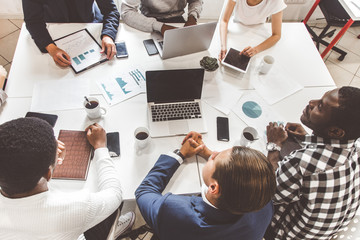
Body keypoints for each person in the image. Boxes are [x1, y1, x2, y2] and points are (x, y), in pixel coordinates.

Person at [0, 119, 134, 240]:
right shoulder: (75, 207)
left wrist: (47, 161)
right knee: (109, 212)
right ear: (48, 174)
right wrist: (100, 147)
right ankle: (111, 230)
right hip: (73, 228)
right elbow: (114, 194)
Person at [135, 131, 276, 240]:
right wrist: (205, 153)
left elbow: (144, 191)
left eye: (215, 159)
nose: (213, 154)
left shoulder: (174, 210)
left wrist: (180, 153)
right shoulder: (264, 204)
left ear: (214, 188)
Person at [264, 87, 360, 239]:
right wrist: (310, 137)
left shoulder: (304, 163)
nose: (311, 103)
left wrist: (274, 145)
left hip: (281, 233)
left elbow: (265, 192)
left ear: (335, 132)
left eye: (320, 107)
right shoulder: (355, 147)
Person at [22, 0, 120, 67]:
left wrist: (108, 35)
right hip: (55, 28)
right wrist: (51, 48)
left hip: (89, 24)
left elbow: (111, 10)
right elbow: (33, 21)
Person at [219, 0, 286, 60]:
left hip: (258, 30)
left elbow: (277, 35)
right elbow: (224, 21)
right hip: (237, 26)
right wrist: (223, 47)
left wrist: (256, 50)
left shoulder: (276, 2)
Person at [121, 0, 202, 35]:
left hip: (178, 20)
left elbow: (195, 1)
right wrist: (160, 26)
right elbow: (126, 11)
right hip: (148, 23)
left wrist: (193, 17)